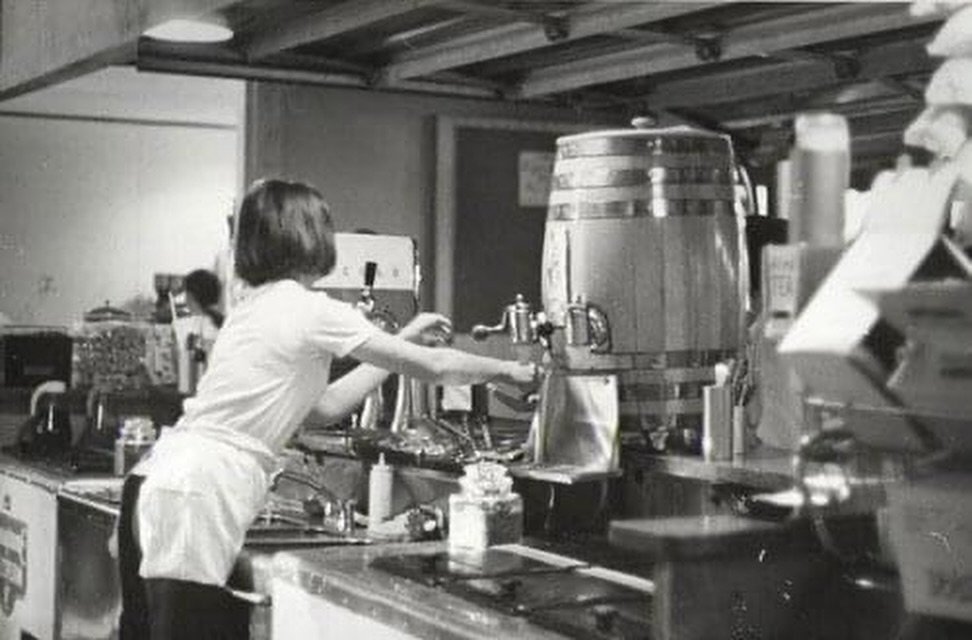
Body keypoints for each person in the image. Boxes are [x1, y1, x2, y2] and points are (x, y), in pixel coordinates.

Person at [117, 178, 537, 640]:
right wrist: (508, 371)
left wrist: (401, 340)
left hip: (162, 478)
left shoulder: (254, 308)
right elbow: (437, 366)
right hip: (201, 488)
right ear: (312, 237)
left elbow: (322, 408)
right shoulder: (310, 308)